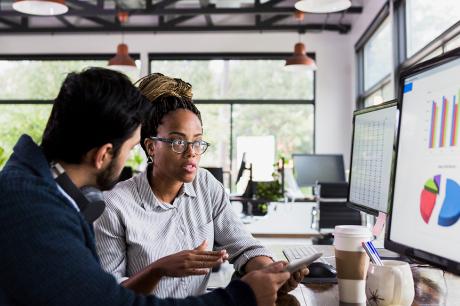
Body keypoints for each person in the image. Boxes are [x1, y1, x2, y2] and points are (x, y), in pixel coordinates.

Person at [0, 67, 291, 306]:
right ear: (103, 155)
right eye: (129, 148)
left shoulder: (36, 188)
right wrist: (241, 297)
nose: (191, 151)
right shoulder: (35, 211)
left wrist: (269, 273)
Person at [94, 73, 308, 298]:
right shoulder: (115, 205)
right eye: (178, 141)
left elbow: (243, 247)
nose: (191, 152)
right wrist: (158, 269)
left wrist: (271, 271)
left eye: (197, 141)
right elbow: (110, 296)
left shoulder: (206, 185)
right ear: (150, 147)